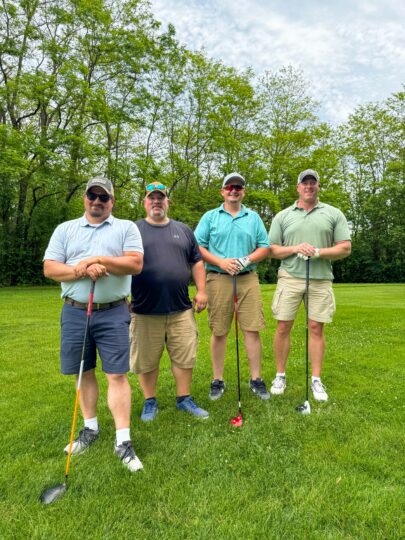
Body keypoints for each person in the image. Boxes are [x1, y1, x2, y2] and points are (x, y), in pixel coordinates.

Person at [43, 176, 144, 472]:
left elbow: (135, 264)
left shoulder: (126, 228)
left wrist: (99, 259)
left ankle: (123, 441)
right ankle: (90, 428)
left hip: (113, 311)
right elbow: (50, 268)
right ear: (84, 198)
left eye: (103, 197)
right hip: (75, 311)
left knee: (117, 374)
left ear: (112, 201)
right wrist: (82, 270)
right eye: (92, 195)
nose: (97, 201)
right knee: (83, 371)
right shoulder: (65, 229)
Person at [268, 169, 351, 401]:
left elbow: (345, 247)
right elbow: (271, 249)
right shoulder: (283, 216)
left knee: (316, 327)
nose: (308, 186)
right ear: (298, 187)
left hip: (321, 278)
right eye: (304, 183)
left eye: (313, 183)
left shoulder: (333, 213)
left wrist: (317, 252)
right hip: (290, 277)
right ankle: (280, 375)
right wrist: (295, 248)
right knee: (283, 326)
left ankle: (316, 379)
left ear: (318, 186)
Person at [130, 181, 209, 421]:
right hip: (144, 309)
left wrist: (202, 291)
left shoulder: (183, 230)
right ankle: (149, 401)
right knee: (146, 359)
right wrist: (122, 295)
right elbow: (122, 264)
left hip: (180, 308)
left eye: (160, 198)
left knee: (185, 356)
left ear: (168, 202)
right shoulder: (133, 230)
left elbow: (196, 261)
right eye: (151, 198)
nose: (156, 201)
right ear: (144, 202)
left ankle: (184, 399)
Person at [194, 172, 270, 401]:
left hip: (247, 277)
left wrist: (245, 260)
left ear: (243, 192)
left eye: (238, 187)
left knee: (252, 329)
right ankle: (217, 380)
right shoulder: (210, 217)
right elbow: (197, 247)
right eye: (230, 187)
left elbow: (264, 247)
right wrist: (221, 262)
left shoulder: (253, 217)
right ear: (222, 191)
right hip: (218, 277)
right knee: (219, 330)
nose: (234, 191)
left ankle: (256, 379)